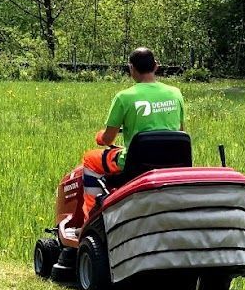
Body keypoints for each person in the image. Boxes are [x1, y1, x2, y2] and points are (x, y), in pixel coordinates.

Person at [79, 47, 186, 216]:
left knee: (90, 159)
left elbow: (108, 139)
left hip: (135, 163)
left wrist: (101, 137)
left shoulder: (124, 97)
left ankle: (91, 217)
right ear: (156, 66)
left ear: (131, 69)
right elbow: (181, 131)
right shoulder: (175, 93)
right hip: (173, 161)